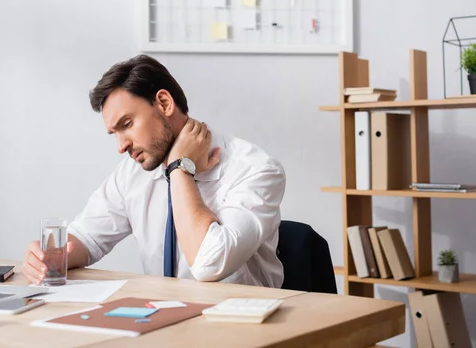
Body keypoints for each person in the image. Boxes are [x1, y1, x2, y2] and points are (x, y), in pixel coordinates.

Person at [23, 54, 286, 288]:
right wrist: (49, 256)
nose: (121, 145)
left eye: (127, 124)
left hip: (240, 331)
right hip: (163, 322)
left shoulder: (255, 169)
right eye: (114, 133)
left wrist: (180, 169)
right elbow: (86, 237)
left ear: (164, 103)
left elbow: (210, 263)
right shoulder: (133, 172)